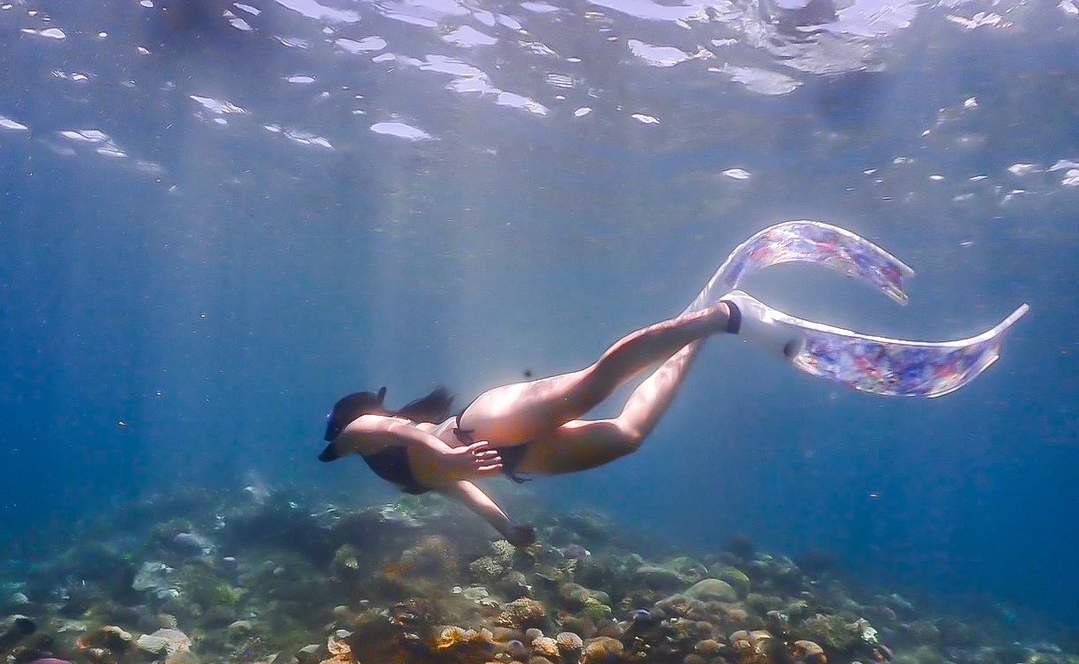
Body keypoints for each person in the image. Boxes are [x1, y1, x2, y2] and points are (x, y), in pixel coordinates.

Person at [317, 222, 1027, 544]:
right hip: (504, 461)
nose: (351, 434)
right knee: (627, 435)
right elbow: (450, 483)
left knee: (590, 387)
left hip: (478, 427)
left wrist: (438, 455)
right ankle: (733, 326)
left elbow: (401, 432)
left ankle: (719, 315)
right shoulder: (395, 469)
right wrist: (505, 527)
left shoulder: (356, 432)